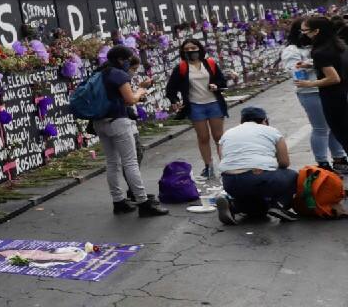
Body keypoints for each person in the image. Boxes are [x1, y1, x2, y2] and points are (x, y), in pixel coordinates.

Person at [94, 45, 168, 217]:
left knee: (112, 163)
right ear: (121, 60)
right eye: (128, 60)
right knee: (130, 162)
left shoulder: (99, 73)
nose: (129, 63)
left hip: (100, 122)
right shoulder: (119, 74)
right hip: (118, 122)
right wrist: (141, 90)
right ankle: (143, 202)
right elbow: (130, 99)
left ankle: (118, 201)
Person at [281, 19, 348, 171]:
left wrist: (313, 64)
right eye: (302, 31)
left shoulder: (321, 47)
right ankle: (322, 161)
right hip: (310, 92)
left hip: (327, 90)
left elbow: (327, 64)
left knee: (335, 126)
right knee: (321, 128)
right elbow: (295, 72)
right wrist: (312, 68)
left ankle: (339, 157)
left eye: (307, 30)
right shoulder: (293, 50)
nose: (305, 34)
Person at [214, 106, 298, 224]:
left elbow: (225, 160)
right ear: (264, 120)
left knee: (257, 212)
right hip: (258, 177)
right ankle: (279, 205)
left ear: (242, 121)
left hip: (229, 181)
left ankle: (232, 206)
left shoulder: (227, 133)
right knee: (293, 175)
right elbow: (284, 163)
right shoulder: (272, 131)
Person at [165, 38, 229, 179]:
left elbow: (222, 80)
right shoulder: (181, 68)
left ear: (199, 48)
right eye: (186, 49)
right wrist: (175, 100)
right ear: (182, 52)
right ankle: (209, 166)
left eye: (193, 48)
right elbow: (171, 88)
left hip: (214, 103)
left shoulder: (210, 63)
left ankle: (226, 166)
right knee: (203, 137)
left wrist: (215, 85)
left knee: (219, 137)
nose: (190, 51)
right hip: (195, 106)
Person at [295, 16, 348, 151]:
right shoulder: (339, 45)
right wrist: (312, 65)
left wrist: (309, 84)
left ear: (316, 31)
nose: (303, 34)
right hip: (344, 93)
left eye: (305, 31)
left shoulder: (319, 52)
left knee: (342, 133)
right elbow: (336, 65)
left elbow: (334, 78)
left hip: (334, 98)